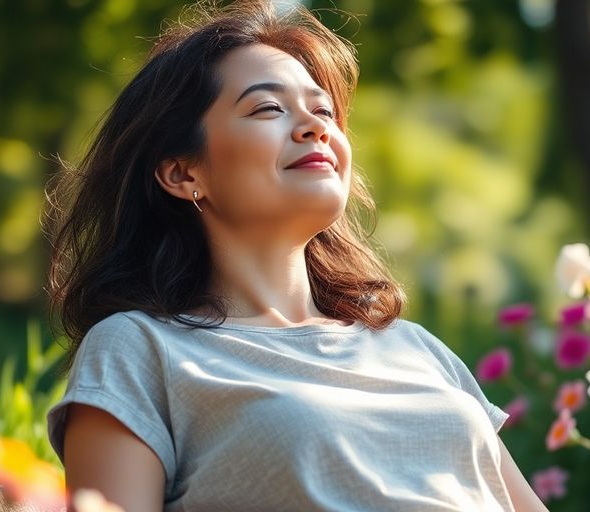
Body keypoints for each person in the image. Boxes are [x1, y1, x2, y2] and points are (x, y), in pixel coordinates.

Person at [44, 1, 549, 511]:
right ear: (182, 173)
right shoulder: (140, 350)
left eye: (324, 110)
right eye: (268, 108)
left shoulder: (414, 348)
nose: (316, 128)